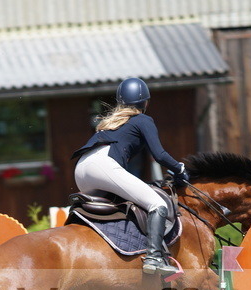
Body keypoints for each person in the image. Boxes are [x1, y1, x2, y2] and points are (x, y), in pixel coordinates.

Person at [72, 77, 189, 276]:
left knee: (125, 205)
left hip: (81, 171)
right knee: (157, 205)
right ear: (145, 102)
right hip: (103, 167)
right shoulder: (143, 119)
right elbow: (159, 155)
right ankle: (153, 257)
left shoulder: (110, 123)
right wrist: (179, 168)